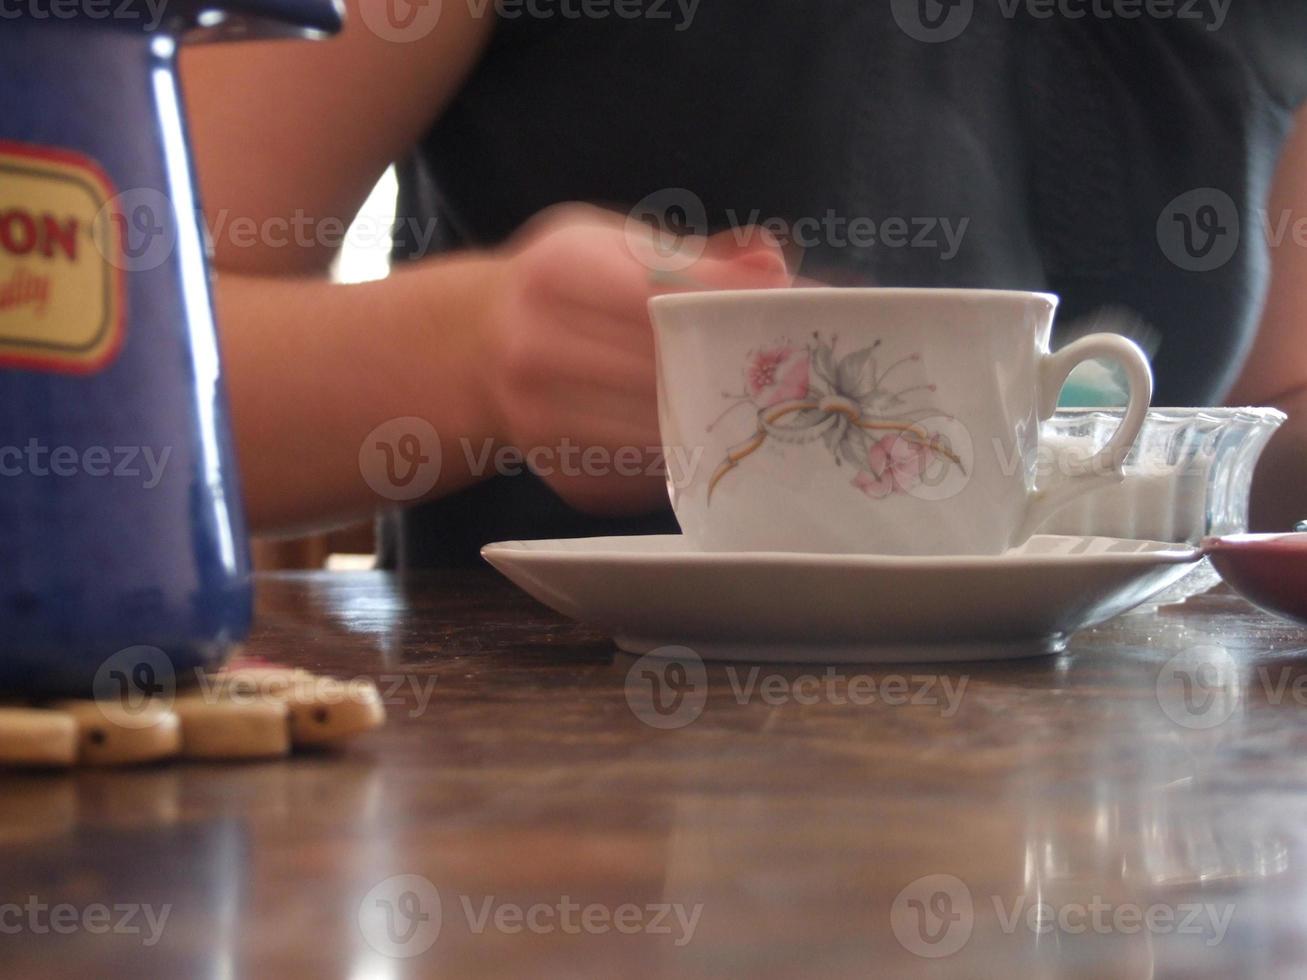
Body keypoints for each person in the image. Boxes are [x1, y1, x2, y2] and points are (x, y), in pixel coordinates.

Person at [181, 2, 1307, 565]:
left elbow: (1258, 420)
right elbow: (71, 349)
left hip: (1110, 844)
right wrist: (471, 349)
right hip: (577, 851)